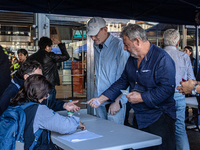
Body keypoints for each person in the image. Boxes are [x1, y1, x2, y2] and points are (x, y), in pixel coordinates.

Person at [88, 24, 176, 150]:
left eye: (126, 44)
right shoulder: (132, 59)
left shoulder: (162, 58)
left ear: (137, 41)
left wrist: (141, 97)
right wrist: (101, 98)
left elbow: (167, 89)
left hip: (160, 117)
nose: (124, 48)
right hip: (139, 116)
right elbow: (123, 81)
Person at [10, 74, 85, 149]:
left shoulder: (16, 103)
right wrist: (77, 121)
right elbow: (65, 126)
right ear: (39, 94)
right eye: (45, 95)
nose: (45, 98)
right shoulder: (39, 110)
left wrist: (64, 105)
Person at [87, 17, 129, 124]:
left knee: (115, 136)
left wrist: (117, 101)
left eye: (96, 34)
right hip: (99, 100)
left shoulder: (119, 46)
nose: (93, 38)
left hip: (114, 101)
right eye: (91, 35)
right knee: (101, 132)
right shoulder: (96, 45)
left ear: (105, 30)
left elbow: (125, 78)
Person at [0, 60, 80, 115]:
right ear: (26, 77)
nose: (41, 79)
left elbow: (47, 104)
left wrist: (64, 105)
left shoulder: (30, 88)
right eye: (38, 77)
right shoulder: (12, 93)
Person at [163, 29, 195, 150]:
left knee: (162, 130)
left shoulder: (157, 54)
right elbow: (191, 80)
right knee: (180, 130)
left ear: (163, 41)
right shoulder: (184, 56)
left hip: (161, 97)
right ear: (177, 43)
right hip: (178, 95)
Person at [27, 37, 70, 102]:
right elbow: (66, 56)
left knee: (38, 104)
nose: (52, 48)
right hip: (49, 85)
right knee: (50, 105)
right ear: (47, 47)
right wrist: (59, 44)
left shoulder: (31, 57)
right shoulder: (50, 56)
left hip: (36, 85)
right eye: (51, 46)